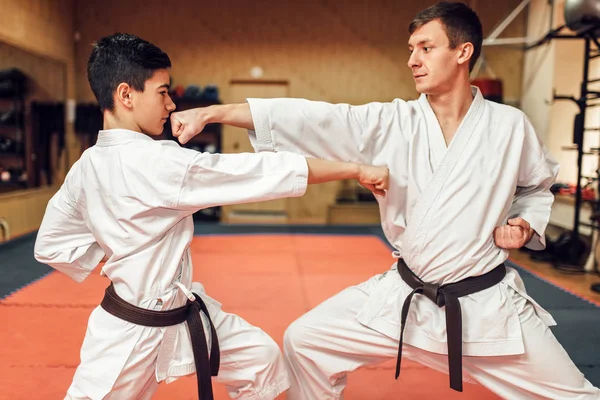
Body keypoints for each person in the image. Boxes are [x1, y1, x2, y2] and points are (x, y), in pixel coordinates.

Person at [170, 2, 600, 399]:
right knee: (306, 341)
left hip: (487, 308)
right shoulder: (393, 122)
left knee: (577, 394)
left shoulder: (510, 127)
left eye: (426, 47)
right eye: (411, 48)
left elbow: (536, 187)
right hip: (405, 298)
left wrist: (523, 224)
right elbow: (316, 117)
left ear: (464, 51)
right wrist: (214, 112)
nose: (412, 59)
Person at [33, 32, 389, 400]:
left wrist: (115, 253)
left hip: (180, 312)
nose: (170, 104)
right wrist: (355, 170)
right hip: (132, 334)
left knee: (260, 361)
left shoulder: (85, 165)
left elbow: (51, 245)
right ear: (126, 95)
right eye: (162, 92)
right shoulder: (159, 162)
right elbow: (264, 172)